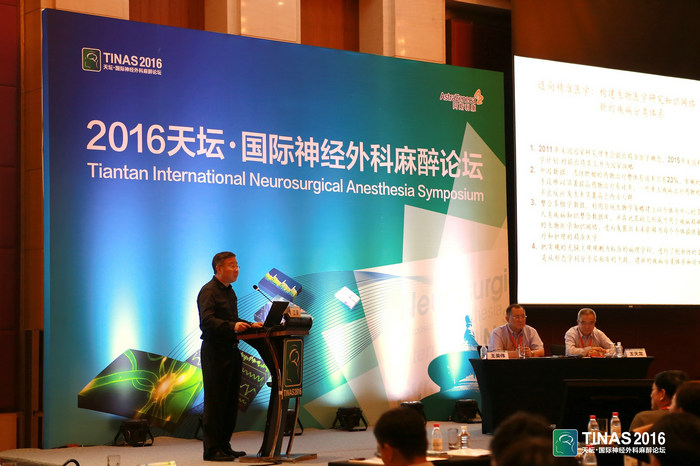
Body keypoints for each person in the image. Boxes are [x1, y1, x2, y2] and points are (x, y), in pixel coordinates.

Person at [197, 251, 263, 462]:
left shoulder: (229, 291)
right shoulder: (208, 291)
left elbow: (231, 319)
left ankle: (224, 446)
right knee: (216, 402)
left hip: (232, 350)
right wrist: (233, 326)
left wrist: (250, 325)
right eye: (232, 265)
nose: (236, 269)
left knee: (230, 402)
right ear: (219, 268)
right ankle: (212, 449)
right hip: (215, 352)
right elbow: (207, 321)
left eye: (237, 265)